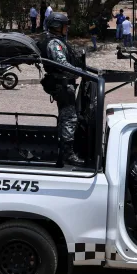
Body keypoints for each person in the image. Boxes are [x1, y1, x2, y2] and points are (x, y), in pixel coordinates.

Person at [37, 13, 83, 166]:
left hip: (64, 85)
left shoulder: (57, 41)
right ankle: (67, 154)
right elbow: (62, 66)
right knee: (69, 118)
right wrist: (79, 71)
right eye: (65, 25)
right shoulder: (54, 44)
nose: (67, 28)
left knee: (66, 117)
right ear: (57, 27)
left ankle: (65, 149)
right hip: (62, 85)